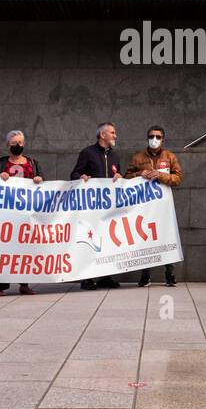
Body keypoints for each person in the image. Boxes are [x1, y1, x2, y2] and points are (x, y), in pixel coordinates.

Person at [0, 130, 44, 296]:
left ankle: (24, 284)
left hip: (25, 213)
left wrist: (39, 180)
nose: (17, 146)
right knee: (0, 249)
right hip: (4, 214)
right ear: (7, 146)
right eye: (13, 144)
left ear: (24, 144)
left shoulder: (33, 163)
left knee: (24, 248)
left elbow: (43, 185)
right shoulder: (0, 163)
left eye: (19, 143)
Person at [124, 125, 183, 288]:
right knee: (145, 238)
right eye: (151, 136)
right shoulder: (138, 158)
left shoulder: (170, 157)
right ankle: (145, 275)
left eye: (157, 137)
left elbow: (178, 178)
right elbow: (126, 178)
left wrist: (161, 175)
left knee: (167, 237)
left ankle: (170, 274)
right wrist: (138, 174)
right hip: (144, 207)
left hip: (164, 206)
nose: (154, 139)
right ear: (147, 138)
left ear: (163, 139)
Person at [71, 122, 124, 291]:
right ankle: (86, 278)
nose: (115, 136)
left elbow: (118, 175)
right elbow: (74, 173)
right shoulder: (88, 153)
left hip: (109, 207)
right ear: (103, 135)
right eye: (113, 133)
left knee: (107, 241)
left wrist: (119, 176)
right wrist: (82, 176)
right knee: (88, 241)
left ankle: (105, 276)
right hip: (91, 208)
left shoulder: (114, 156)